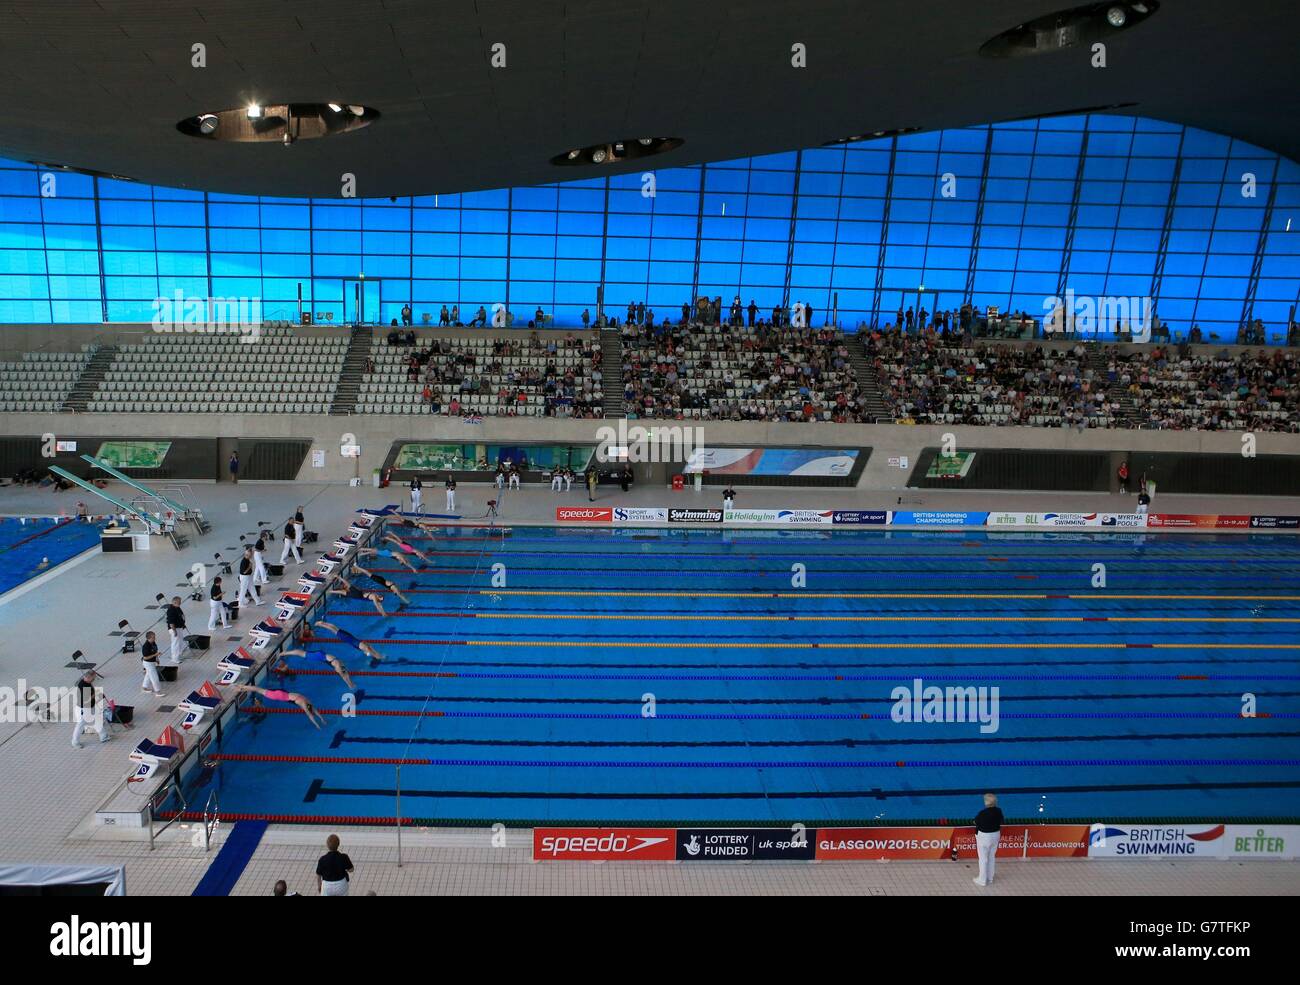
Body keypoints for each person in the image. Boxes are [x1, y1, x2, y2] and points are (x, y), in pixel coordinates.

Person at [233, 684, 325, 728]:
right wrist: (317, 725)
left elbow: (314, 710)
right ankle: (240, 689)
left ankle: (240, 687)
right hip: (278, 696)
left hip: (281, 692)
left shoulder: (307, 700)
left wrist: (321, 719)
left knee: (257, 689)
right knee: (257, 690)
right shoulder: (303, 704)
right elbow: (310, 715)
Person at [277, 647, 357, 689]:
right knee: (301, 653)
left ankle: (286, 653)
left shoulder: (341, 665)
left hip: (323, 655)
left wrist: (350, 683)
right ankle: (285, 653)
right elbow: (343, 676)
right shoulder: (339, 667)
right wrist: (349, 684)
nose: (336, 671)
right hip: (320, 656)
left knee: (302, 653)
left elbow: (345, 674)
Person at [312, 621, 386, 663]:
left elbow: (369, 648)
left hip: (349, 638)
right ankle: (321, 624)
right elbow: (368, 648)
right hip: (348, 638)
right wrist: (378, 657)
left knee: (334, 628)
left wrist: (376, 655)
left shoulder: (363, 646)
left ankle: (321, 623)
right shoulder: (363, 647)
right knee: (334, 629)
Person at [71, 669, 108, 748]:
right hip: (84, 709)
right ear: (89, 677)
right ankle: (75, 742)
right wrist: (97, 695)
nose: (94, 679)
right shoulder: (83, 686)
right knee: (80, 724)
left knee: (97, 719)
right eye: (93, 677)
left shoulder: (86, 682)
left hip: (89, 707)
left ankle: (103, 736)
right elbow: (86, 700)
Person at [972, 792, 1004, 887]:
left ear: (986, 802)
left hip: (984, 837)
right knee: (991, 857)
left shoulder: (983, 813)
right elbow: (1002, 821)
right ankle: (990, 878)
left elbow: (975, 822)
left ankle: (982, 879)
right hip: (995, 835)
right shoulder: (999, 811)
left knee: (983, 859)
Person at [326, 575, 391, 617]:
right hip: (359, 594)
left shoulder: (374, 597)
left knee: (344, 590)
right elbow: (380, 607)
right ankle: (336, 580)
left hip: (358, 595)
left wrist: (383, 614)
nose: (380, 596)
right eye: (381, 596)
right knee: (346, 588)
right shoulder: (376, 596)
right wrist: (384, 613)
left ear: (380, 599)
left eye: (381, 597)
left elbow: (377, 606)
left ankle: (332, 588)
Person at [140, 630, 165, 698]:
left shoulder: (153, 643)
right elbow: (145, 658)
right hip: (148, 663)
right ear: (149, 638)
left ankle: (144, 687)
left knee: (148, 675)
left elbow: (155, 651)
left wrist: (157, 659)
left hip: (152, 662)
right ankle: (158, 692)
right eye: (153, 637)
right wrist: (155, 655)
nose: (155, 638)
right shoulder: (145, 646)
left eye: (154, 637)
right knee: (154, 677)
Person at [165, 595, 187, 663]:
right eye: (179, 602)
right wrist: (174, 631)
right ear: (174, 602)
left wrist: (183, 624)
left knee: (180, 642)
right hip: (174, 629)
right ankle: (174, 658)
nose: (180, 603)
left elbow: (181, 615)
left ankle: (179, 654)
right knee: (175, 643)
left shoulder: (177, 607)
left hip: (179, 627)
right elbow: (171, 623)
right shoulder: (171, 610)